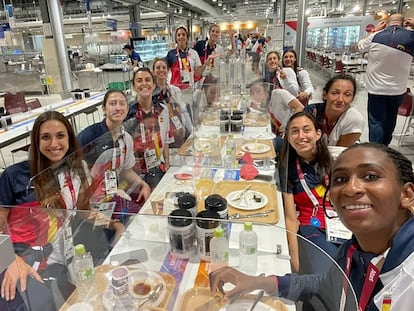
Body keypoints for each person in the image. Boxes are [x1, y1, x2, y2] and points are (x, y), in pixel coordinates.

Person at [211, 142, 414, 311]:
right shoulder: (353, 251)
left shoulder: (408, 283)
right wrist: (260, 282)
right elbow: (326, 285)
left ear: (407, 195)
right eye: (341, 179)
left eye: (370, 176)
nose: (351, 188)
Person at [0, 111, 115, 308]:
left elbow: (83, 212)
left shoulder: (78, 170)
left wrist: (114, 224)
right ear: (36, 141)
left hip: (61, 258)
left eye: (60, 136)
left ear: (70, 138)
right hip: (21, 260)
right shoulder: (15, 176)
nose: (54, 144)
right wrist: (9, 259)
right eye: (46, 137)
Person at [77, 90, 151, 221]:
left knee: (143, 217)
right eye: (112, 103)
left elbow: (126, 171)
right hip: (87, 206)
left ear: (127, 109)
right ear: (104, 109)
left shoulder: (126, 138)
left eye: (122, 104)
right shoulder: (89, 136)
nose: (118, 108)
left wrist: (143, 184)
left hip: (110, 197)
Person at [278, 111, 338, 273]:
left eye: (306, 130)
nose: (301, 136)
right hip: (312, 227)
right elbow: (290, 218)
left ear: (318, 134)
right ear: (288, 137)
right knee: (332, 273)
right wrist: (295, 260)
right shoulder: (287, 169)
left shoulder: (333, 162)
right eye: (295, 131)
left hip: (341, 223)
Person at [358, 14, 414, 145]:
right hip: (398, 90)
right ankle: (385, 147)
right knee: (390, 120)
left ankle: (376, 149)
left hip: (376, 88)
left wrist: (375, 30)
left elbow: (360, 46)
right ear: (404, 23)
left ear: (387, 23)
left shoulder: (376, 36)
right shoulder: (411, 37)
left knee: (376, 120)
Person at [124, 68, 173, 189]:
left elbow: (165, 138)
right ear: (134, 86)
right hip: (134, 172)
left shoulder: (162, 110)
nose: (144, 84)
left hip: (156, 166)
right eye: (139, 81)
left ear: (154, 84)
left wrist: (166, 161)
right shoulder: (128, 113)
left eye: (148, 80)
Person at [305, 74, 364, 147]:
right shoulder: (311, 111)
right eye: (335, 93)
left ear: (352, 98)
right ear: (325, 94)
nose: (340, 99)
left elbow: (339, 154)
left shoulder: (354, 118)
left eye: (347, 94)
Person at [152, 57, 192, 147]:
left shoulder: (175, 90)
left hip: (179, 134)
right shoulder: (151, 94)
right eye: (158, 68)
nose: (161, 70)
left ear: (168, 70)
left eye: (164, 67)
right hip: (161, 137)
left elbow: (184, 112)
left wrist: (191, 131)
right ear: (153, 72)